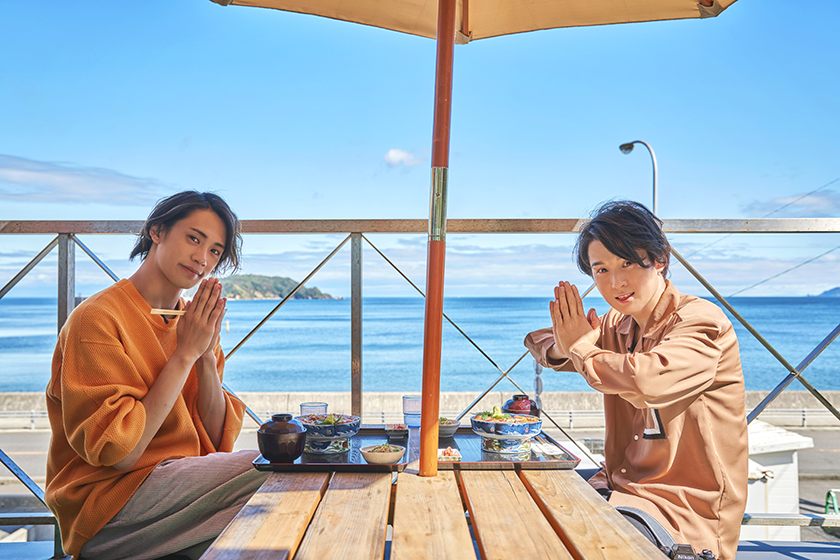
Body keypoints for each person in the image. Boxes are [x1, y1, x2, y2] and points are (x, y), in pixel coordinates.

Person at [45, 191, 268, 560]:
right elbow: (119, 453)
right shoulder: (97, 319)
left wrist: (205, 358)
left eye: (215, 250)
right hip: (108, 505)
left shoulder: (193, 321)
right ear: (157, 232)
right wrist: (184, 354)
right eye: (194, 238)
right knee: (278, 466)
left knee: (279, 522)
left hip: (178, 492)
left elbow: (216, 441)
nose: (202, 258)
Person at [524, 200, 747, 560]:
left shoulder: (701, 322)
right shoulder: (616, 323)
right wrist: (566, 347)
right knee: (525, 511)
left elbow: (648, 382)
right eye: (601, 269)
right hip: (619, 488)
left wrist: (581, 348)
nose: (615, 282)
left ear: (659, 259)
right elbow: (539, 341)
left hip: (681, 511)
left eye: (627, 262)